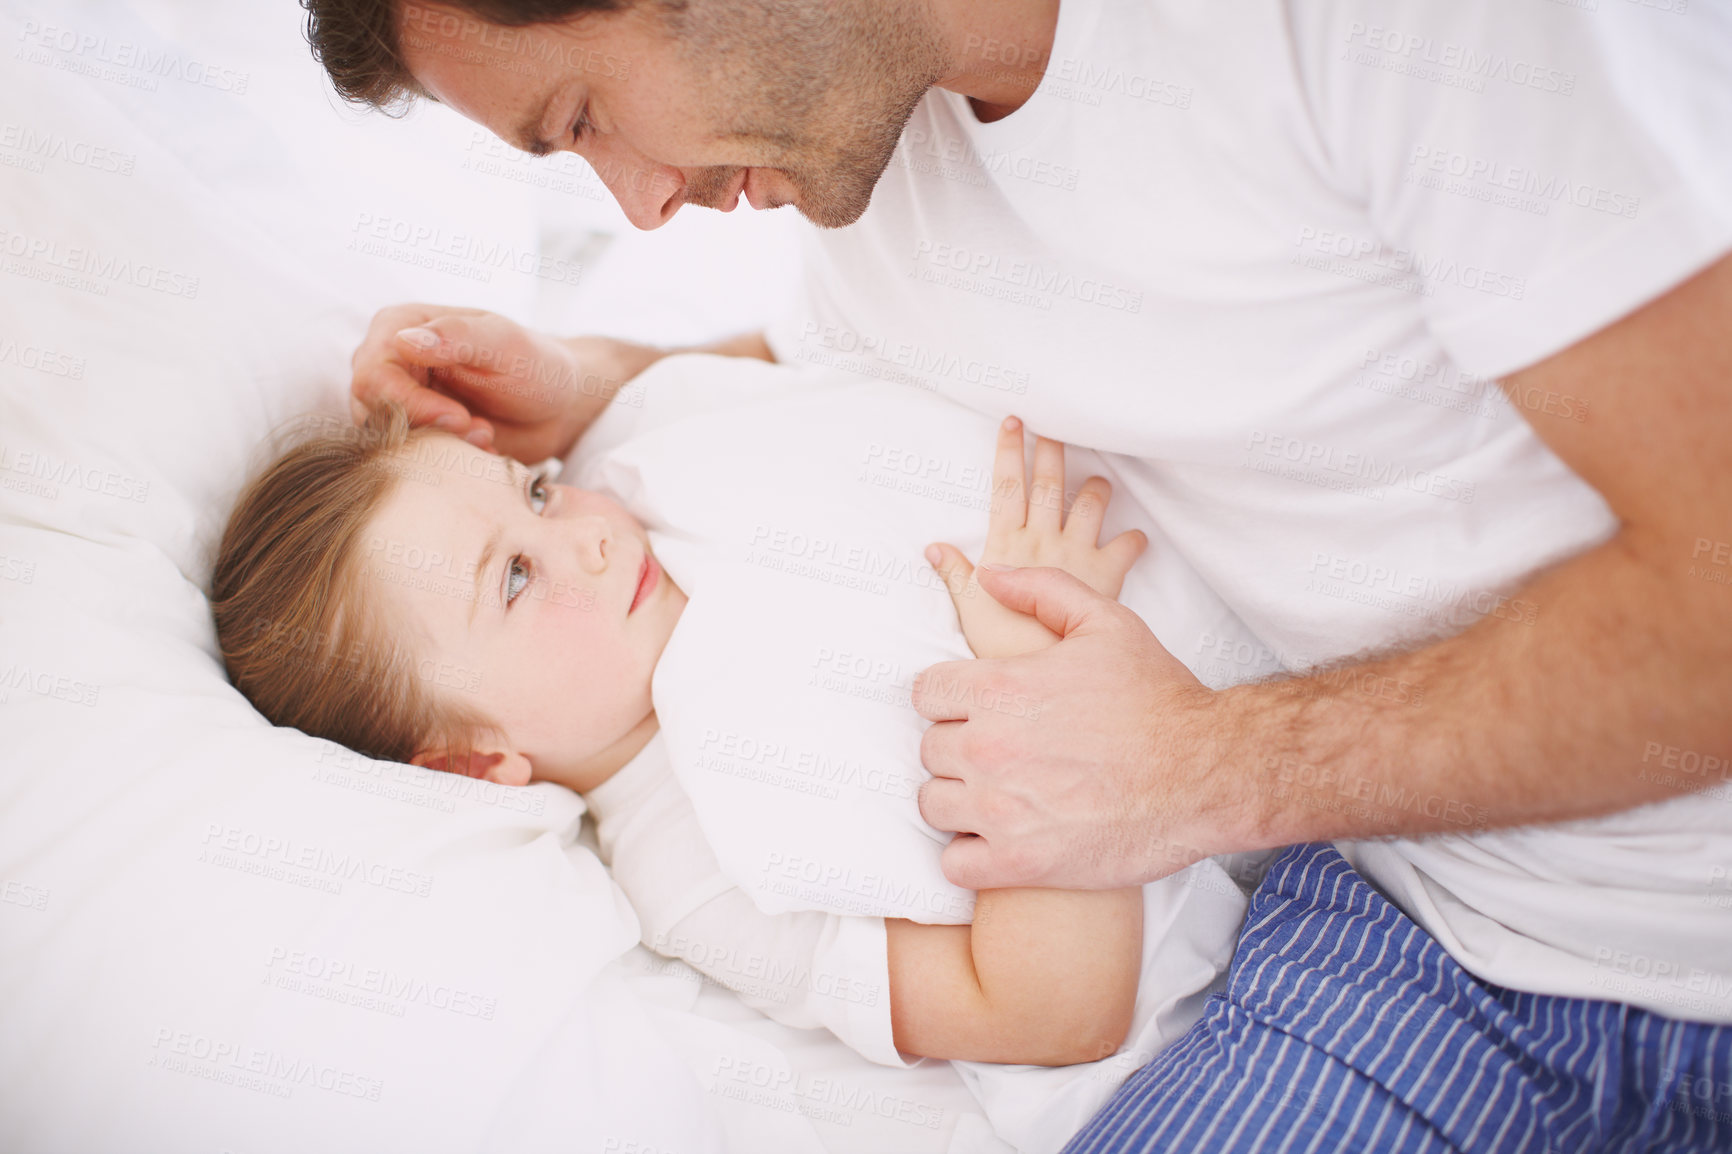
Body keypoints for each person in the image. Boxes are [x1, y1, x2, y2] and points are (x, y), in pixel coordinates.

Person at [302, 0, 1732, 1148]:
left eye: (586, 118)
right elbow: (813, 382)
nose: (641, 205)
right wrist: (583, 379)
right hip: (1407, 928)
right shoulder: (883, 187)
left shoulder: (1379, 38)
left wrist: (1193, 767)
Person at [210, 401, 1156, 1071]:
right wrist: (1036, 675)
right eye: (513, 580)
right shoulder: (691, 877)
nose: (588, 537)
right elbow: (1049, 1013)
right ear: (474, 760)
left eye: (536, 493)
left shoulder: (679, 501)